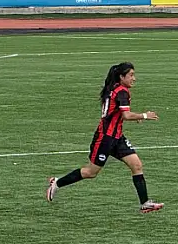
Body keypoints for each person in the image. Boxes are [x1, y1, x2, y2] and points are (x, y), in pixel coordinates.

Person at [46, 62, 164, 214]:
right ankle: (57, 183)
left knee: (137, 165)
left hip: (117, 137)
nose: (134, 79)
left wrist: (136, 117)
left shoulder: (115, 88)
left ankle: (145, 203)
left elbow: (118, 114)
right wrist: (144, 115)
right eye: (131, 75)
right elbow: (125, 115)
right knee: (91, 172)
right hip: (105, 138)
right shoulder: (122, 91)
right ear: (121, 77)